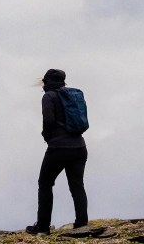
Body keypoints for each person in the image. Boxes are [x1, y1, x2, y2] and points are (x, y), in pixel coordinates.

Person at [26, 68, 88, 235]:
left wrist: (47, 137)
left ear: (46, 82)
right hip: (80, 147)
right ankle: (82, 224)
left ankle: (43, 226)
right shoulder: (72, 95)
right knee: (77, 185)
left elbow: (48, 120)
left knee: (45, 184)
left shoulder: (49, 96)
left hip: (58, 148)